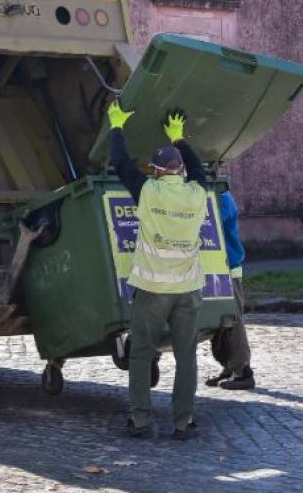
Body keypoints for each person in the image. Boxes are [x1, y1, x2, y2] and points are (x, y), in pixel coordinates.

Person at [107, 101, 208, 441]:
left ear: (157, 171)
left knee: (141, 353)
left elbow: (120, 164)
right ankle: (183, 423)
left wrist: (116, 127)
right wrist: (179, 139)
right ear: (180, 171)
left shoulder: (148, 191)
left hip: (152, 290)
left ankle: (141, 421)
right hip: (188, 290)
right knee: (186, 357)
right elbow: (200, 172)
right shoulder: (197, 194)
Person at [206, 188, 255, 390]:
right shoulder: (218, 196)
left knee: (232, 319)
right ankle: (229, 367)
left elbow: (209, 220)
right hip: (219, 266)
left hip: (227, 267)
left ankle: (243, 372)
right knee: (220, 321)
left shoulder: (222, 199)